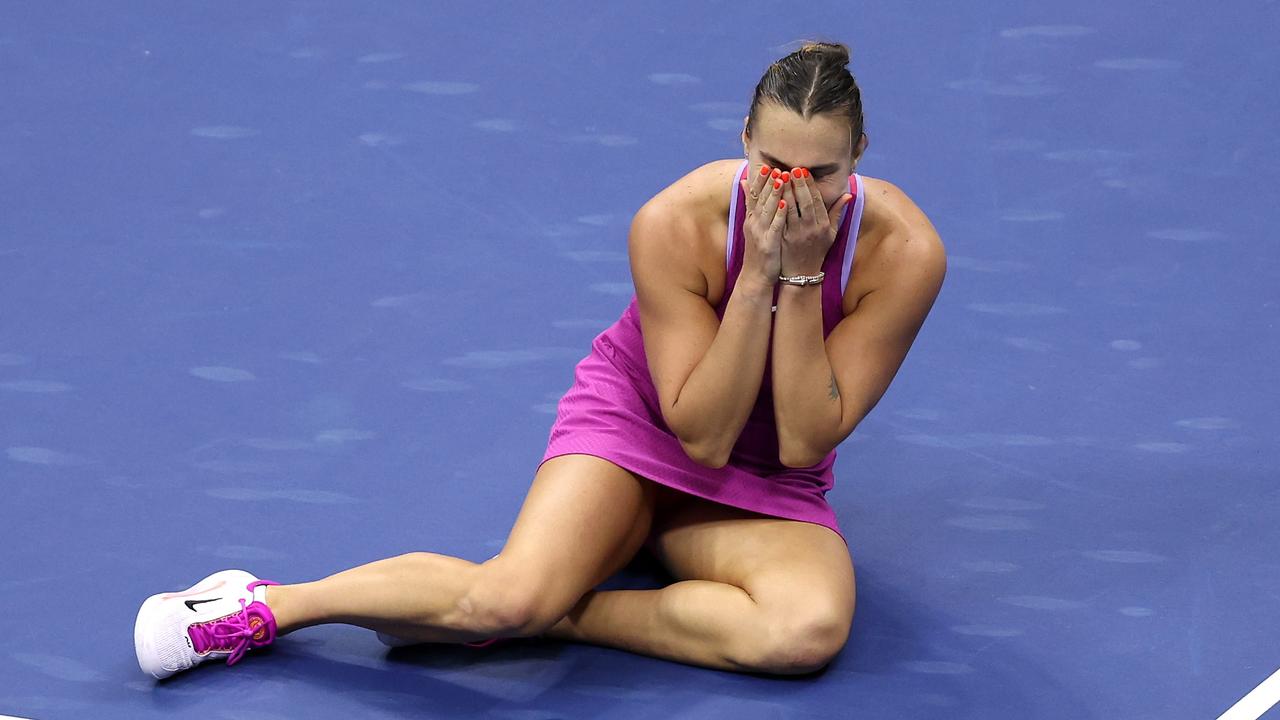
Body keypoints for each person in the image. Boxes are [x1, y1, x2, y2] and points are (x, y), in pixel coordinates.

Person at [134, 40, 945, 680]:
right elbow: (697, 434)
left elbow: (805, 440)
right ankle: (265, 603)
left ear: (861, 154)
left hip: (766, 478)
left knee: (803, 631)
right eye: (772, 168)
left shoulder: (904, 254)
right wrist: (756, 271)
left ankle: (564, 615)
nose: (790, 192)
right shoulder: (673, 223)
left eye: (820, 174)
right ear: (742, 140)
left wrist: (798, 274)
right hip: (645, 432)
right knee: (500, 599)